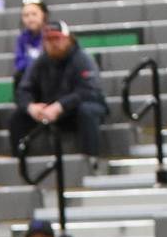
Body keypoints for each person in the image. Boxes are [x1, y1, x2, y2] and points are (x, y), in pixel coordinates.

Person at [9, 19, 108, 174]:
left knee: (87, 110)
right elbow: (23, 90)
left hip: (77, 109)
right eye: (49, 39)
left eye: (57, 38)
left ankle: (91, 161)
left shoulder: (82, 59)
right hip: (50, 111)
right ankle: (20, 167)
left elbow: (88, 90)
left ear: (68, 39)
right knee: (17, 117)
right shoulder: (40, 62)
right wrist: (31, 107)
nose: (53, 43)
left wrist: (60, 106)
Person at [13, 0, 48, 87]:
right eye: (26, 15)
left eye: (34, 14)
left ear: (43, 15)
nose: (30, 18)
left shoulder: (51, 35)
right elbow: (19, 63)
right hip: (30, 77)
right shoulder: (22, 38)